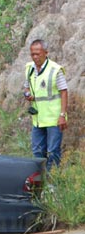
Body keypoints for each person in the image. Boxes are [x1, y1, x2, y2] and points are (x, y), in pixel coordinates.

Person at [23, 39, 68, 170]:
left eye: (38, 53)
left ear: (46, 53)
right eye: (33, 54)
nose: (35, 57)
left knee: (53, 151)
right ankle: (40, 181)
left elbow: (64, 92)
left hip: (54, 119)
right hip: (37, 119)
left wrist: (62, 115)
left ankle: (52, 183)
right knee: (37, 152)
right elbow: (26, 88)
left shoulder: (55, 69)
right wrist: (27, 95)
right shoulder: (29, 69)